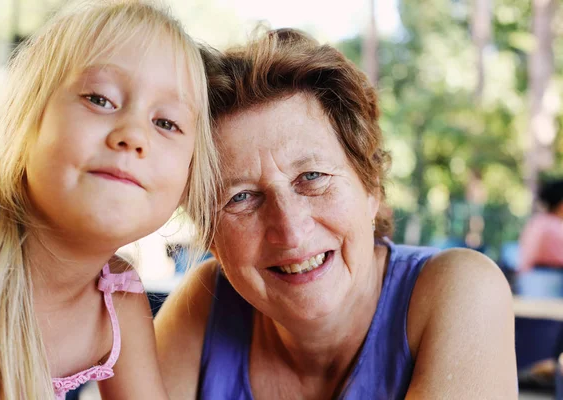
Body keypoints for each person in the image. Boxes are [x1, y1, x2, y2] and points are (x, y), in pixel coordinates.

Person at [155, 29, 517, 399]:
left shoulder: (461, 288)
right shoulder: (204, 305)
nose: (291, 231)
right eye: (241, 197)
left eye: (312, 177)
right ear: (210, 236)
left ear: (371, 186)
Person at [0, 1, 218, 398]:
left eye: (166, 123)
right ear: (30, 117)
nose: (133, 135)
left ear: (188, 180)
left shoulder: (118, 302)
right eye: (100, 99)